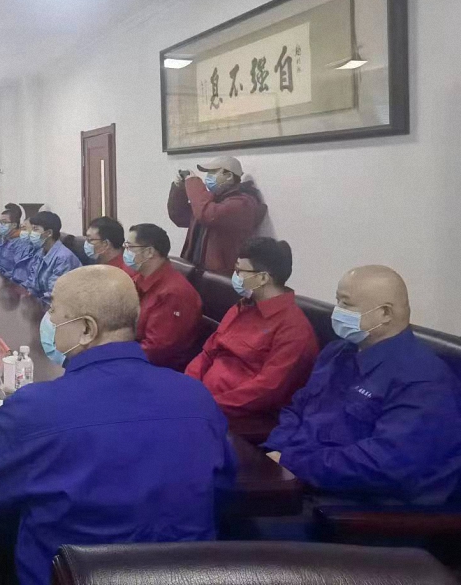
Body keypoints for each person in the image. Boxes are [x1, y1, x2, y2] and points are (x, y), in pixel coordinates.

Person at [0, 266, 236, 585]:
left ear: (87, 329)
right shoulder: (196, 398)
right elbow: (222, 489)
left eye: (54, 311)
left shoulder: (36, 408)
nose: (49, 321)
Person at [265, 266, 461, 504]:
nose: (337, 311)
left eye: (346, 304)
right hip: (295, 477)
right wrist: (274, 452)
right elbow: (298, 408)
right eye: (337, 301)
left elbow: (385, 464)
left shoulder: (423, 381)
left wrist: (293, 462)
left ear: (385, 313)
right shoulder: (337, 353)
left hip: (353, 507)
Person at [186, 237, 319, 440]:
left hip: (242, 417)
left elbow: (266, 391)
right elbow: (208, 352)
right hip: (204, 399)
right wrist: (188, 386)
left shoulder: (294, 329)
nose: (235, 276)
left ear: (263, 278)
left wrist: (208, 404)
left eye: (240, 271)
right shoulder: (243, 306)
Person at [167, 155, 267, 275]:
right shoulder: (212, 200)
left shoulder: (242, 204)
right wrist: (179, 187)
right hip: (196, 270)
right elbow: (179, 216)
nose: (208, 177)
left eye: (213, 172)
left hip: (221, 275)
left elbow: (207, 214)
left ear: (228, 176)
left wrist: (193, 182)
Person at [123, 223, 203, 370]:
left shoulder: (174, 293)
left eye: (130, 247)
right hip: (134, 352)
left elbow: (156, 350)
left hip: (156, 367)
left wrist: (118, 355)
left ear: (149, 252)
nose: (126, 252)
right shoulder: (140, 278)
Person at [10, 211, 80, 304]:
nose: (31, 233)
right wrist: (23, 293)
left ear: (49, 233)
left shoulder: (63, 258)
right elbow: (32, 283)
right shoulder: (41, 252)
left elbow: (55, 294)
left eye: (35, 229)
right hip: (41, 303)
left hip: (60, 306)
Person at [0, 203, 28, 275]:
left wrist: (2, 274)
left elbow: (19, 271)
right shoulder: (1, 238)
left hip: (8, 279)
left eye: (4, 222)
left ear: (14, 225)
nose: (0, 225)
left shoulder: (21, 243)